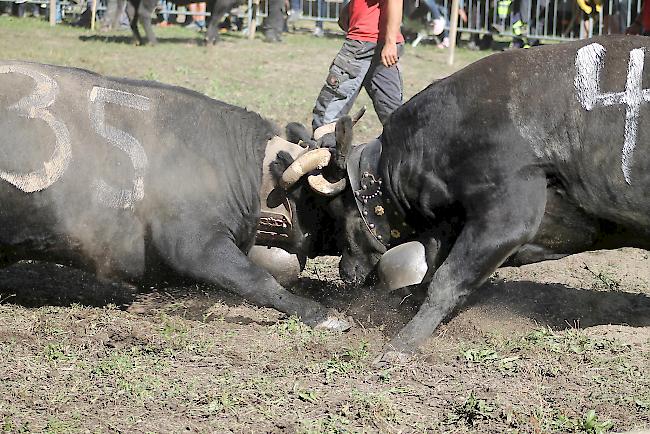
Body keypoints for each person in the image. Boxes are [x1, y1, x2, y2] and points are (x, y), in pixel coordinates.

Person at [312, 0, 404, 131]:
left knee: (326, 118)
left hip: (364, 43)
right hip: (371, 42)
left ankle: (321, 148)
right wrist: (350, 9)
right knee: (395, 117)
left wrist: (390, 42)